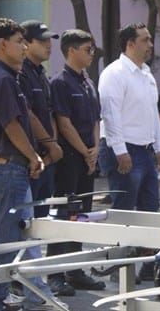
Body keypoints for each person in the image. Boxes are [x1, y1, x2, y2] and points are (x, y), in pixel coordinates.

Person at [0, 18, 68, 311]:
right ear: (2, 45)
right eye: (18, 41)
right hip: (7, 167)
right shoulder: (0, 79)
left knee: (4, 239)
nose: (23, 47)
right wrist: (33, 156)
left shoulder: (7, 76)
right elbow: (11, 126)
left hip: (8, 168)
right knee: (3, 243)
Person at [97, 23, 160, 282]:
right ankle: (119, 269)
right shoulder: (114, 73)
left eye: (150, 39)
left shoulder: (146, 74)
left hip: (145, 151)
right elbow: (111, 115)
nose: (150, 45)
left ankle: (148, 265)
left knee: (150, 210)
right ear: (130, 43)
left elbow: (152, 115)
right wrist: (120, 151)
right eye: (145, 40)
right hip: (123, 152)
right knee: (124, 211)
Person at [47, 29, 105, 294]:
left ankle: (74, 269)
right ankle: (55, 273)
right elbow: (64, 123)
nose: (92, 54)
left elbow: (95, 120)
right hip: (70, 159)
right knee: (63, 216)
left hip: (87, 158)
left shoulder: (88, 82)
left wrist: (94, 150)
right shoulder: (60, 82)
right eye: (88, 49)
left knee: (80, 217)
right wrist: (84, 152)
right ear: (72, 50)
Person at [19, 20, 63, 217]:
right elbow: (28, 114)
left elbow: (49, 113)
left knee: (42, 221)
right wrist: (51, 146)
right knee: (24, 223)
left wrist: (52, 146)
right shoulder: (21, 74)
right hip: (30, 160)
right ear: (25, 43)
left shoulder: (41, 74)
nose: (49, 45)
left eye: (50, 40)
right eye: (42, 40)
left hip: (47, 159)